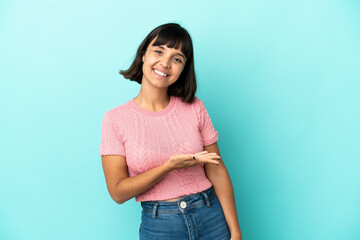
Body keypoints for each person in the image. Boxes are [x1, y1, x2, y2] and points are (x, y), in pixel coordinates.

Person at [99, 22, 242, 240]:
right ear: (144, 54)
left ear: (183, 68)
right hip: (161, 226)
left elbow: (217, 168)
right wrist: (168, 167)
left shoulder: (195, 107)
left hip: (210, 216)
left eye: (177, 59)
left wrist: (235, 232)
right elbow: (118, 192)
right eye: (159, 51)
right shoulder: (115, 119)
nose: (165, 63)